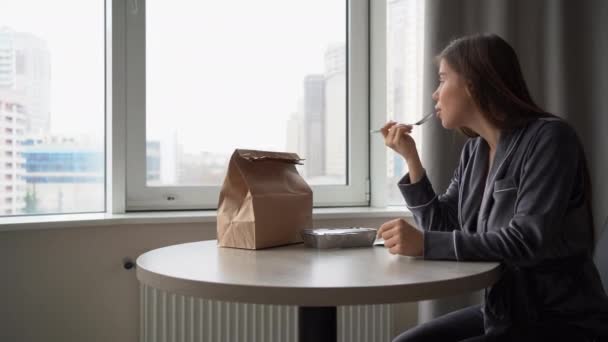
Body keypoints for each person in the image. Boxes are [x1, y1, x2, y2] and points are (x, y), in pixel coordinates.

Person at [378, 33, 608, 342]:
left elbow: (527, 241)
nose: (435, 94)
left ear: (473, 83)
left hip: (558, 323)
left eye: (443, 79)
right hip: (502, 313)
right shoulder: (474, 152)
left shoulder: (551, 139)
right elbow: (443, 225)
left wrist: (425, 243)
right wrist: (411, 158)